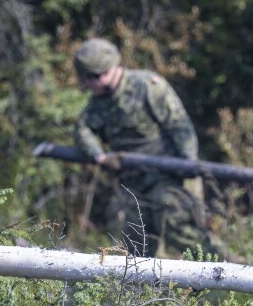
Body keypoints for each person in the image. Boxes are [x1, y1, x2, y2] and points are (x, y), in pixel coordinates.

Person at [73, 38, 214, 258]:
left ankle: (232, 274)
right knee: (136, 246)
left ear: (112, 69)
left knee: (182, 231)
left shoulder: (147, 86)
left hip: (168, 178)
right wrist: (99, 156)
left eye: (95, 77)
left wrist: (188, 162)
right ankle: (139, 292)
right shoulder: (98, 104)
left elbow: (179, 125)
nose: (90, 84)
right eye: (87, 78)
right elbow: (82, 130)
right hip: (133, 185)